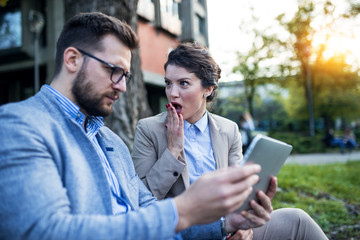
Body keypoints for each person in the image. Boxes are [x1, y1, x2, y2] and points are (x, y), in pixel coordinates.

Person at [0, 12, 271, 240]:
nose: (123, 86)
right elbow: (45, 232)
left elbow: (149, 212)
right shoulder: (19, 125)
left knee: (297, 223)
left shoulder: (113, 143)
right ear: (72, 60)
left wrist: (227, 224)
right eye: (113, 70)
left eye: (126, 75)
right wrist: (184, 208)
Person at [132, 42, 329, 239]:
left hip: (230, 227)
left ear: (207, 89)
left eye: (183, 83)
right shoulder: (149, 129)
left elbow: (241, 194)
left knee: (297, 219)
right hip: (182, 233)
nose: (172, 92)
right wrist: (173, 151)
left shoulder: (228, 129)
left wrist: (243, 227)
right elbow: (141, 200)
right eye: (168, 83)